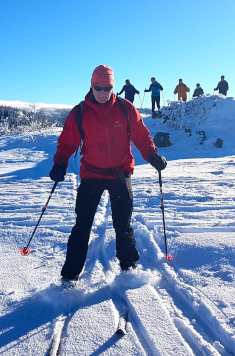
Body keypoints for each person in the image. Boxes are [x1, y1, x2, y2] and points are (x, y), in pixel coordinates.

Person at [49, 65, 168, 285]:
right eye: (99, 87)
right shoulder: (80, 112)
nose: (103, 92)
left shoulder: (126, 108)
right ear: (91, 85)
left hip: (119, 173)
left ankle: (129, 269)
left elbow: (141, 136)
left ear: (113, 87)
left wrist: (152, 156)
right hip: (91, 174)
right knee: (82, 225)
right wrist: (60, 164)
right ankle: (69, 277)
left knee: (123, 225)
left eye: (108, 88)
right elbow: (67, 142)